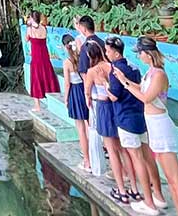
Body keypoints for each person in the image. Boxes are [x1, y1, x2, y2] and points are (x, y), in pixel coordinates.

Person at [112, 37, 178, 216]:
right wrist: (123, 79)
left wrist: (124, 83)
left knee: (175, 182)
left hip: (161, 127)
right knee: (171, 182)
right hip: (153, 127)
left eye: (140, 53)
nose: (139, 56)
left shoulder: (159, 75)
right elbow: (141, 88)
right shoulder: (149, 73)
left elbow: (146, 97)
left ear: (148, 54)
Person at [105, 36, 166, 215]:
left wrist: (108, 87)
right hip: (141, 116)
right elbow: (140, 88)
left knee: (137, 159)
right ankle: (158, 196)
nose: (106, 54)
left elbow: (115, 96)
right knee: (147, 157)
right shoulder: (135, 67)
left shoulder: (116, 71)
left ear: (116, 53)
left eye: (108, 51)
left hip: (126, 118)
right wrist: (126, 82)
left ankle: (148, 202)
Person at [84, 40, 137, 206]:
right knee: (123, 150)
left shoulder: (92, 71)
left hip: (104, 109)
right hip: (117, 108)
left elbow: (87, 94)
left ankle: (121, 190)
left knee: (112, 151)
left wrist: (90, 102)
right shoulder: (112, 67)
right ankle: (133, 187)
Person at [62, 34, 90, 172]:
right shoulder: (82, 58)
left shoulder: (67, 62)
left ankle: (87, 160)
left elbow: (67, 84)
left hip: (75, 92)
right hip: (85, 90)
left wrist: (66, 99)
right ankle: (94, 155)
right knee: (89, 125)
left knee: (81, 129)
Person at [25, 10, 60, 111]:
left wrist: (29, 26)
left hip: (36, 57)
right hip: (44, 55)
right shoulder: (44, 28)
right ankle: (51, 95)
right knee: (47, 74)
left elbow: (26, 39)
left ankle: (37, 105)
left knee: (36, 77)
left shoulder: (30, 30)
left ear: (32, 18)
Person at [76, 15, 105, 81]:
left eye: (80, 27)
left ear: (84, 29)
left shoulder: (85, 47)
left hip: (93, 83)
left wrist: (87, 89)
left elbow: (84, 72)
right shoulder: (102, 43)